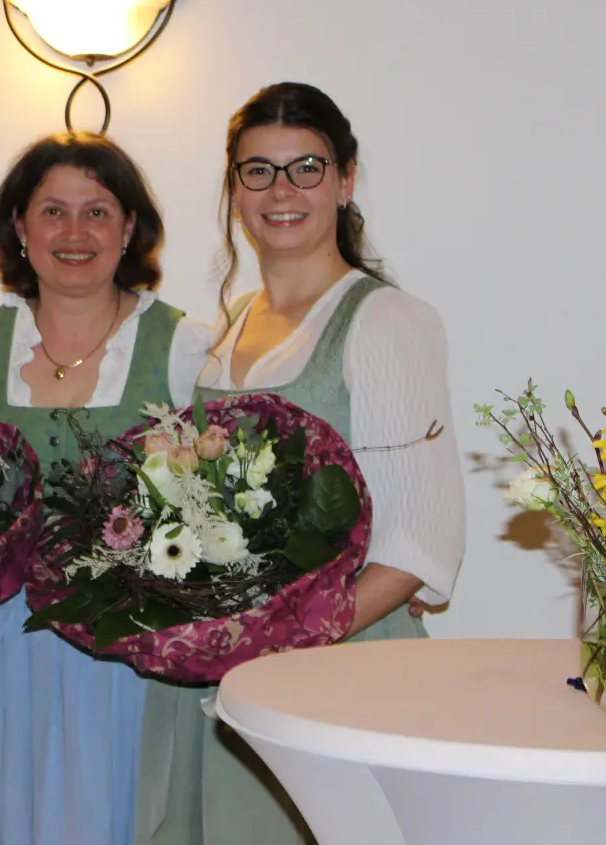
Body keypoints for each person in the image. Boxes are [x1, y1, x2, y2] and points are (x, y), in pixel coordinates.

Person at [140, 82, 468, 843]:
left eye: (306, 168)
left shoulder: (383, 322)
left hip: (343, 669)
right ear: (233, 188)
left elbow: (418, 543)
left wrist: (287, 642)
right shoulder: (224, 332)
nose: (280, 191)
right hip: (237, 673)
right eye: (258, 171)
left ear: (346, 179)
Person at [0, 131, 217, 845]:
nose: (75, 233)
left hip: (126, 657)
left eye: (97, 212)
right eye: (52, 212)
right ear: (18, 225)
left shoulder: (188, 345)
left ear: (130, 228)